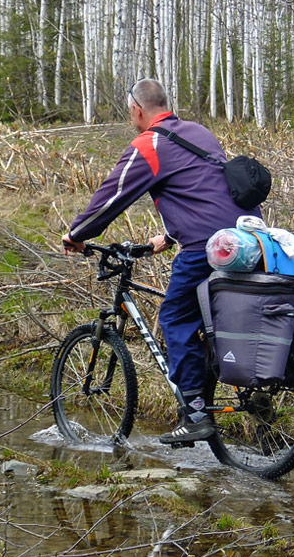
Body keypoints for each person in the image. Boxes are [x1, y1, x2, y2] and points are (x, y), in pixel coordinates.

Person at [62, 78, 261, 445]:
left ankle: (196, 413)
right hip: (247, 239)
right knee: (211, 320)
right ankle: (221, 389)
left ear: (137, 109)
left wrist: (77, 234)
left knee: (174, 317)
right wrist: (167, 237)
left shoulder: (149, 143)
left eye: (129, 113)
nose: (130, 119)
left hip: (206, 245)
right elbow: (205, 189)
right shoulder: (198, 131)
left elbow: (112, 196)